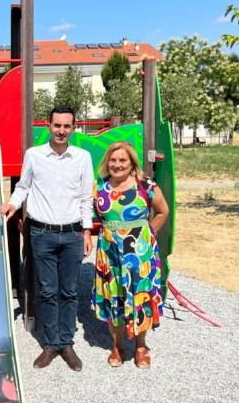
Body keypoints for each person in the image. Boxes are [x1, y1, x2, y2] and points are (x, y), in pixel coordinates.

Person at [0, 106, 94, 372]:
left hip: (73, 233)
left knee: (70, 291)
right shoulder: (35, 155)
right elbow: (23, 187)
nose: (61, 131)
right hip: (41, 233)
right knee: (47, 290)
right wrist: (12, 204)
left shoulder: (82, 158)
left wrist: (86, 231)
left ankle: (66, 343)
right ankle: (51, 344)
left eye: (67, 126)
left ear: (73, 127)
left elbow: (86, 197)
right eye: (57, 126)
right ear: (48, 126)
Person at [91, 141, 168, 369]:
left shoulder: (146, 185)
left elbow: (163, 211)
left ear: (131, 163)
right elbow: (96, 216)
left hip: (140, 253)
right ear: (107, 163)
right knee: (113, 296)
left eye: (122, 160)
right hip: (109, 252)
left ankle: (141, 346)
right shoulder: (100, 187)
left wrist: (148, 235)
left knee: (140, 296)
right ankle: (117, 345)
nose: (117, 164)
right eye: (113, 160)